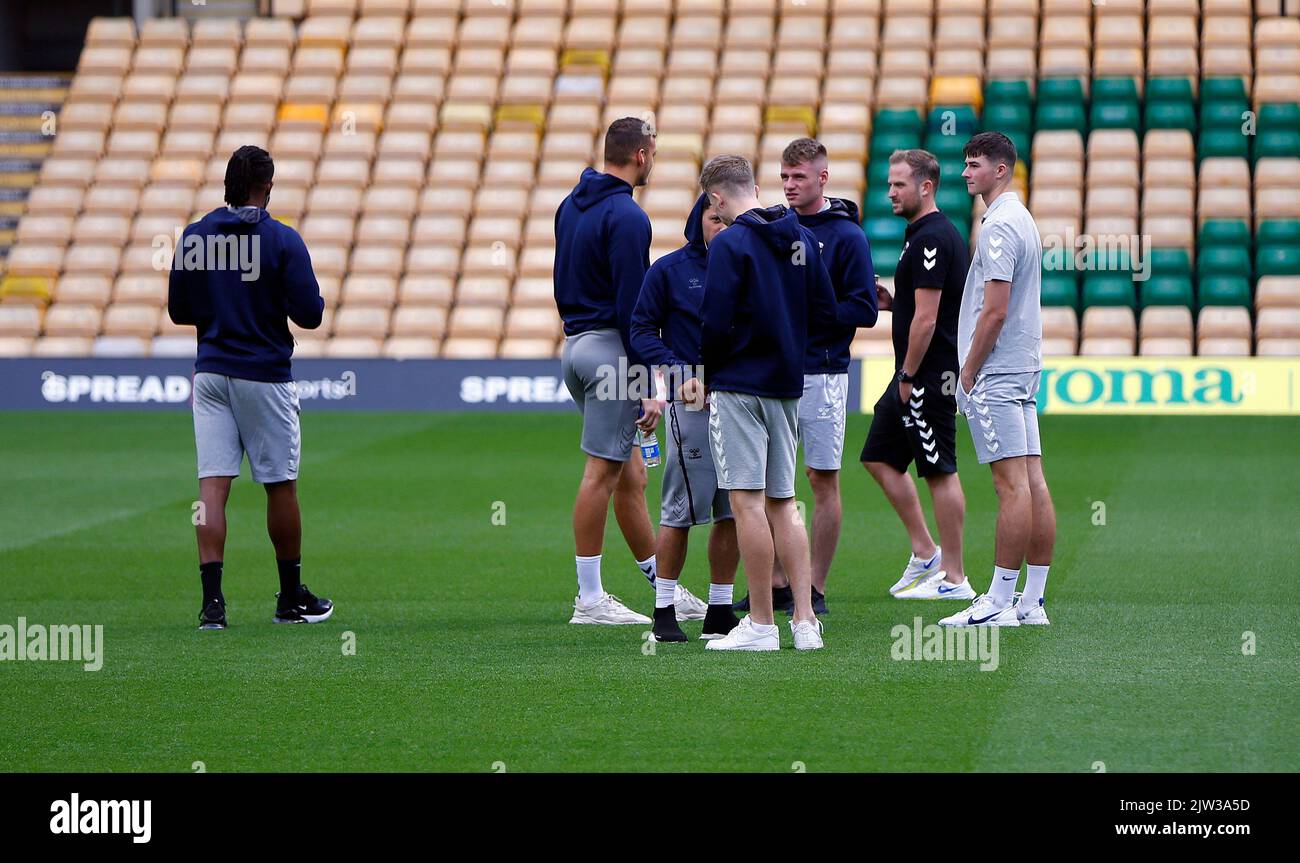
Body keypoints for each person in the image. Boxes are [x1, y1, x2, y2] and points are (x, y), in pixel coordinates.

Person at [167, 145, 332, 630]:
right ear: (266, 188)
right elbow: (311, 313)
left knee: (212, 486)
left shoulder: (195, 237)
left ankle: (212, 604)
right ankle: (289, 597)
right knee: (279, 484)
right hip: (262, 373)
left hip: (211, 373)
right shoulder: (282, 240)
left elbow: (179, 311)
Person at [681, 155, 837, 651]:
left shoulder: (730, 243)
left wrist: (705, 372)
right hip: (787, 384)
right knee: (785, 504)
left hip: (739, 384)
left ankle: (763, 625)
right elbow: (827, 310)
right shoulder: (801, 236)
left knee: (747, 503)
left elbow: (716, 319)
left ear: (718, 196)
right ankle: (806, 621)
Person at [757, 137, 878, 616]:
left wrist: (811, 311)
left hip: (823, 372)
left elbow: (865, 309)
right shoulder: (771, 227)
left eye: (799, 177)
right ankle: (777, 582)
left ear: (822, 178)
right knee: (769, 482)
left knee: (821, 478)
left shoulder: (847, 236)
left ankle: (817, 587)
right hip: (771, 371)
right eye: (784, 176)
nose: (789, 185)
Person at [941, 132, 1056, 628]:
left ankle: (998, 601)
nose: (966, 173)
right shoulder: (1022, 218)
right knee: (1032, 481)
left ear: (1000, 170)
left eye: (973, 165)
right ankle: (1031, 600)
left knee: (1010, 487)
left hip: (998, 370)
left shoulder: (998, 226)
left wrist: (967, 373)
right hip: (1023, 366)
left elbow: (995, 309)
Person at [554, 118, 664, 625]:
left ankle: (663, 585)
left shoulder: (569, 206)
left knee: (629, 474)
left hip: (575, 347)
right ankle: (590, 599)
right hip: (610, 355)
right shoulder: (628, 216)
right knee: (602, 473)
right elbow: (631, 309)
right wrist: (646, 382)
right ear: (640, 156)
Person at [862, 149, 974, 601]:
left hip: (927, 373)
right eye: (889, 184)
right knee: (878, 456)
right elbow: (922, 307)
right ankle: (926, 552)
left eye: (899, 184)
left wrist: (908, 375)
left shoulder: (933, 238)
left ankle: (955, 577)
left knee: (939, 470)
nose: (891, 191)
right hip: (913, 372)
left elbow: (928, 320)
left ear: (925, 187)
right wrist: (894, 304)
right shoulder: (922, 235)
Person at [629, 194, 740, 643]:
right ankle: (664, 611)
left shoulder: (748, 269)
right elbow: (640, 328)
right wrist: (676, 373)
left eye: (730, 220)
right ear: (700, 220)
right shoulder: (670, 271)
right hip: (690, 400)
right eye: (716, 219)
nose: (723, 227)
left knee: (733, 509)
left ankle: (718, 608)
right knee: (679, 511)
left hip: (739, 399)